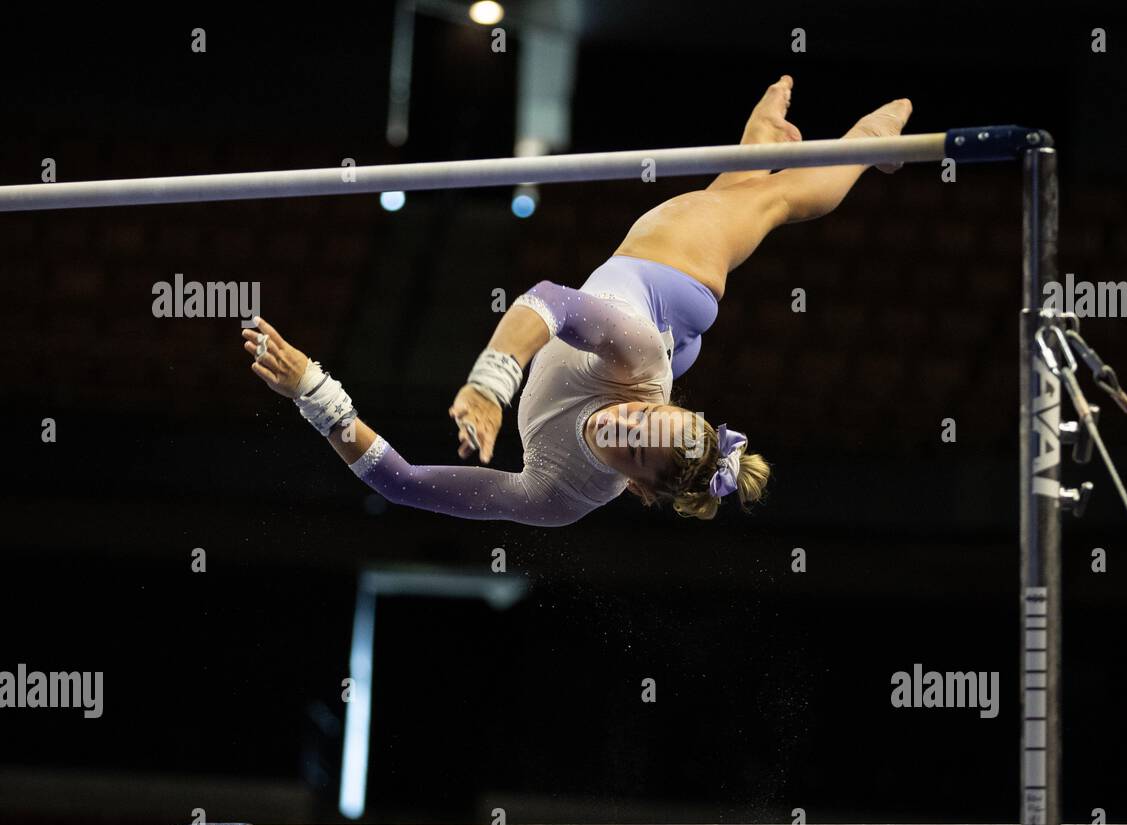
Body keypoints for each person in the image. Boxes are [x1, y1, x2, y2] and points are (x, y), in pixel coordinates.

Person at [242, 77, 912, 526]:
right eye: (637, 417)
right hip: (668, 286)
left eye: (628, 446)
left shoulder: (561, 494)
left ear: (637, 489)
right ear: (658, 404)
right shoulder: (639, 365)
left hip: (652, 317)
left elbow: (403, 483)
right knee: (774, 200)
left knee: (734, 196)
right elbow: (551, 301)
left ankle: (762, 143)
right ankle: (865, 144)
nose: (618, 425)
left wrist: (315, 394)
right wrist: (489, 383)